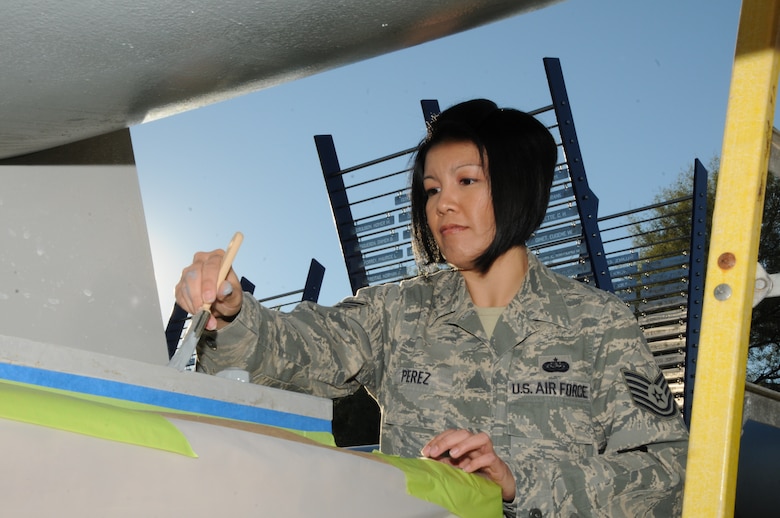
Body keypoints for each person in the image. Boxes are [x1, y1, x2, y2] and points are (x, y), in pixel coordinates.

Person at [175, 99, 688, 517]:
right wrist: (233, 313)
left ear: (519, 188)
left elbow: (669, 476)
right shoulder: (398, 313)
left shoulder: (598, 324)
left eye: (467, 181)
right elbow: (297, 350)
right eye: (432, 189)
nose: (442, 204)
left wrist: (516, 485)